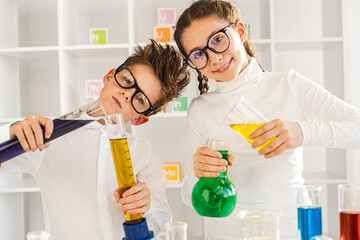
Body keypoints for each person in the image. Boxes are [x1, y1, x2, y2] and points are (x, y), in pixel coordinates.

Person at [173, 0, 360, 239]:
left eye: (218, 39)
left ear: (240, 31)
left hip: (287, 231)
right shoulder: (201, 109)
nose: (215, 58)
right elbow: (188, 196)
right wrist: (200, 177)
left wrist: (302, 132)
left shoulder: (289, 86)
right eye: (199, 54)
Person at [0, 39, 190, 240]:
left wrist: (148, 205)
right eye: (127, 81)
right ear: (109, 76)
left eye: (140, 99)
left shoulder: (143, 153)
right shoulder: (48, 135)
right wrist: (11, 132)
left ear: (140, 119)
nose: (127, 94)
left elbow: (162, 222)